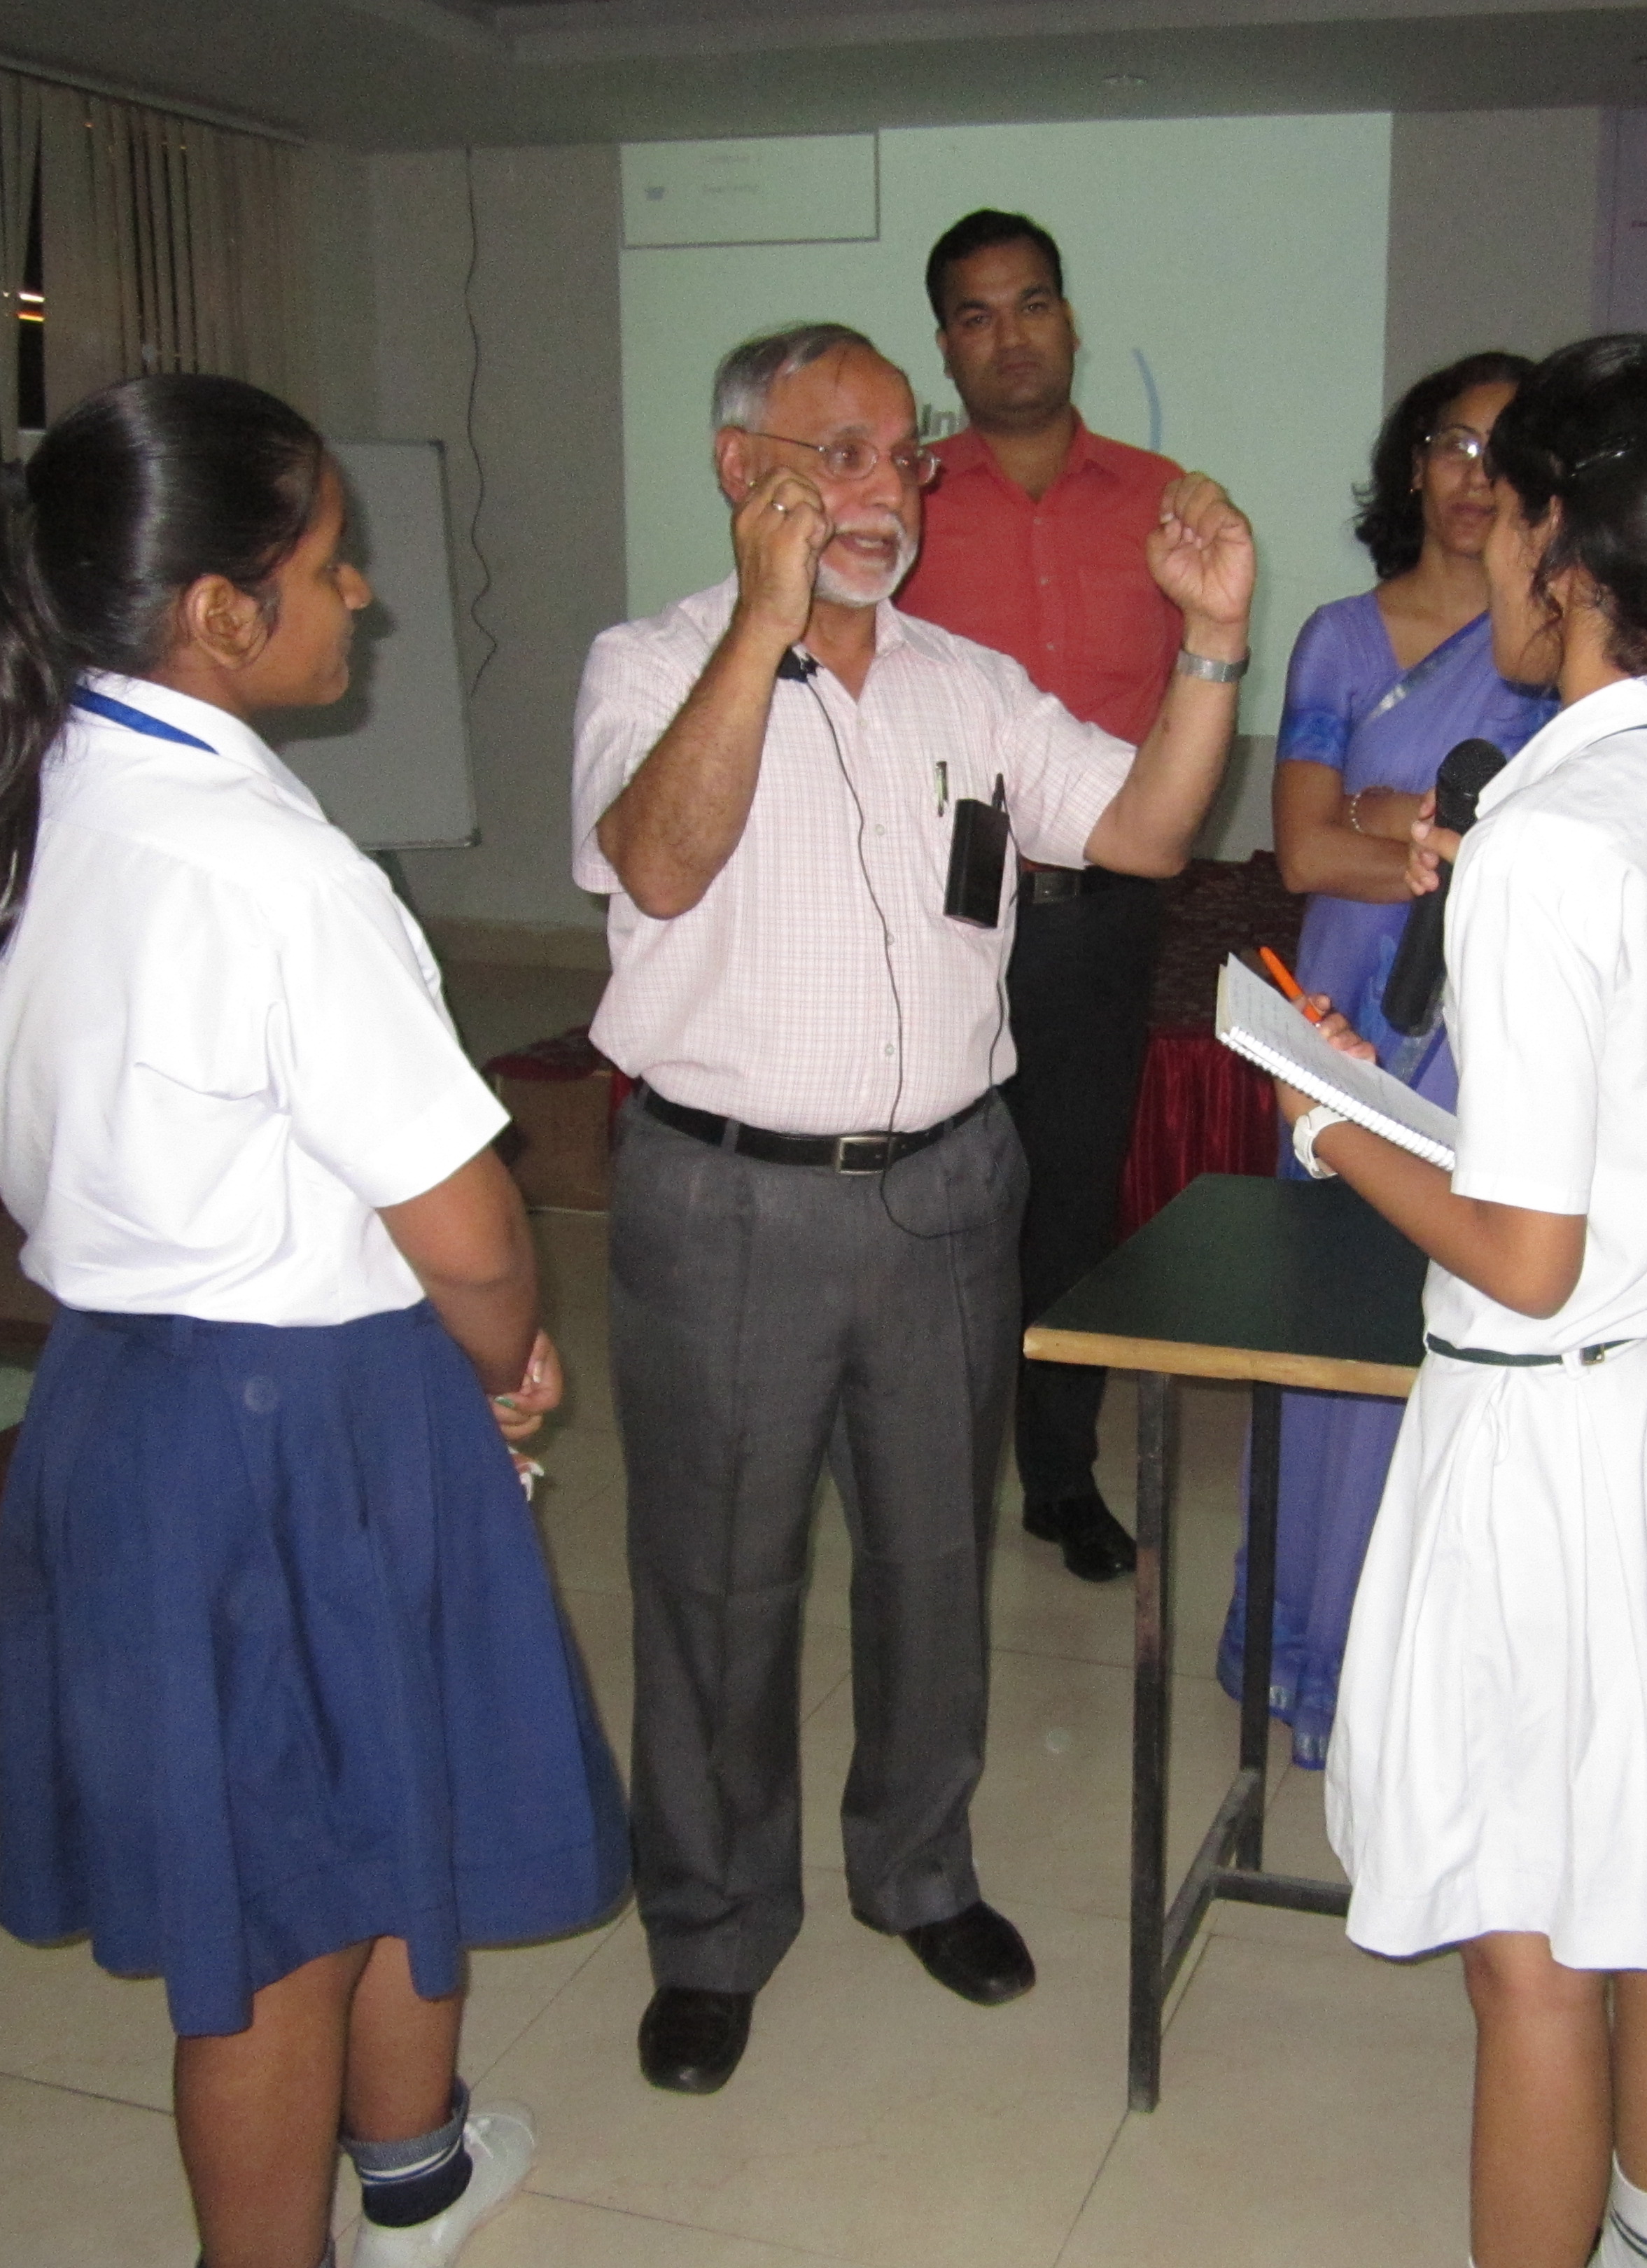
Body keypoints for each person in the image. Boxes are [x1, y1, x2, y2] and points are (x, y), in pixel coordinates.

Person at [0, 373, 627, 2268]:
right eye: (330, 566)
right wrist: (505, 1359)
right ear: (219, 613)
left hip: (133, 1396)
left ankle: (414, 2172)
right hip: (291, 1424)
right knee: (276, 1921)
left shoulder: (33, 802)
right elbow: (468, 1226)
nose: (364, 595)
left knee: (381, 1794)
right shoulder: (274, 871)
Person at [570, 322, 1254, 2096]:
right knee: (718, 1586)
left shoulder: (971, 687)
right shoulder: (652, 665)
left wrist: (1209, 646)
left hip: (951, 1189)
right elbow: (658, 863)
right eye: (841, 455)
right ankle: (713, 1929)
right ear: (744, 472)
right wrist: (765, 626)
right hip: (730, 1201)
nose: (886, 493)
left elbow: (1149, 831)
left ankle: (920, 1871)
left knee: (937, 1565)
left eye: (905, 457)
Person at [1289, 335, 1647, 2268]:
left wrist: (1327, 1119)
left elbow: (1524, 1250)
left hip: (1552, 1432)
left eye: (1507, 510)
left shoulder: (1558, 839)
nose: (1482, 545)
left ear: (1568, 548)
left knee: (1532, 1948)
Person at [1217, 351, 1557, 1766]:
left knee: (1460, 1333)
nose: (1478, 476)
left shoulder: (1567, 638)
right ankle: (1320, 1653)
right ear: (1412, 463)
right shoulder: (1343, 641)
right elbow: (1304, 852)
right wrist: (1421, 835)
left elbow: (1537, 856)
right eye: (1454, 444)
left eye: (1508, 451)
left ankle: (1437, 1670)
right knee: (1336, 1336)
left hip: (1500, 1019)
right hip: (1351, 1011)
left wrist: (1390, 813)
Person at [899, 208, 1186, 1583]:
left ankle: (1060, 1476)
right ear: (945, 343)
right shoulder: (901, 506)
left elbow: (1194, 711)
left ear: (1069, 319)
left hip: (1095, 914)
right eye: (976, 314)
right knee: (941, 1197)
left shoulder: (1164, 501)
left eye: (1030, 305)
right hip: (937, 913)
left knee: (1072, 1200)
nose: (1008, 336)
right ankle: (932, 1478)